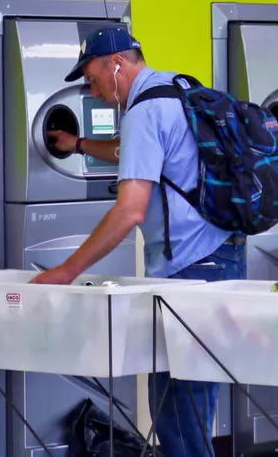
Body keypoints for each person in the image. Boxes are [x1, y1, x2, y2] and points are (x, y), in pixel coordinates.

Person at [32, 26, 244, 457]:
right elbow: (137, 152)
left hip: (191, 267)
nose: (91, 90)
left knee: (178, 411)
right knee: (194, 401)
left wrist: (66, 271)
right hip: (221, 255)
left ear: (116, 64)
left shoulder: (144, 112)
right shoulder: (176, 88)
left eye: (91, 78)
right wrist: (79, 146)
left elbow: (130, 210)